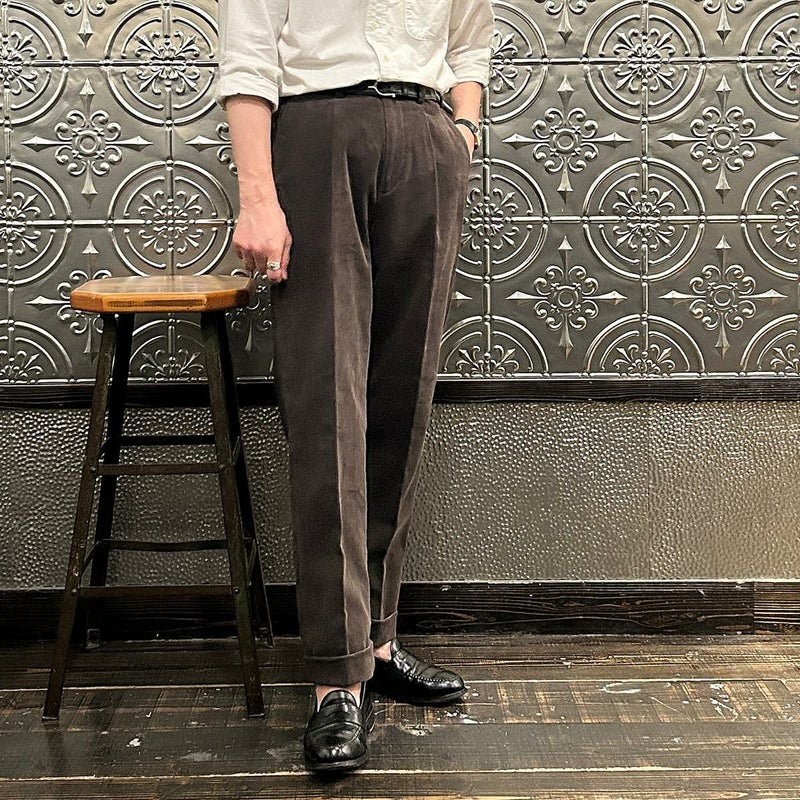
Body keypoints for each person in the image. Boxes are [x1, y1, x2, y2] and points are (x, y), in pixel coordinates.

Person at [215, 0, 494, 774]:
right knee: (327, 406)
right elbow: (247, 59)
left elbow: (470, 41)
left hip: (427, 140)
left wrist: (463, 130)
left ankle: (377, 641)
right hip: (317, 136)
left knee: (402, 404)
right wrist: (258, 197)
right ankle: (336, 677)